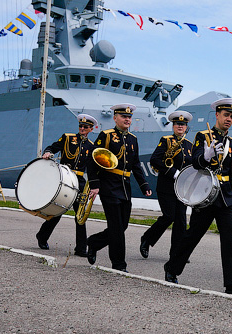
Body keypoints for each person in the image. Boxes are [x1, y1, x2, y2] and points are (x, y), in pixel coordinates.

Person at [163, 97, 232, 297]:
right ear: (217, 115)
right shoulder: (202, 136)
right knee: (192, 236)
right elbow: (194, 163)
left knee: (230, 240)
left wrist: (230, 195)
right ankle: (172, 267)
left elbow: (229, 173)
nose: (229, 119)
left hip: (225, 197)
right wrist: (205, 156)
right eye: (226, 115)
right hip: (206, 196)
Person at [85, 104, 152, 270]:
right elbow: (93, 159)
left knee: (123, 226)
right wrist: (94, 184)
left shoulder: (133, 139)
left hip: (125, 187)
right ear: (115, 118)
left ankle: (93, 242)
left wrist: (144, 185)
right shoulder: (106, 136)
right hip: (108, 185)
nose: (127, 119)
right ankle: (119, 264)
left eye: (129, 117)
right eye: (123, 116)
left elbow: (136, 165)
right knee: (116, 227)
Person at [35, 113, 97, 255]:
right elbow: (52, 147)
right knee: (58, 211)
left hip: (79, 183)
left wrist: (94, 186)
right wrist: (47, 153)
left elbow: (92, 169)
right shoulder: (68, 138)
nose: (82, 128)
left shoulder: (91, 146)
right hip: (64, 179)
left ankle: (81, 248)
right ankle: (42, 236)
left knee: (80, 215)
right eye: (81, 126)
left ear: (91, 129)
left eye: (85, 127)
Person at [139, 110, 193, 260]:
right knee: (169, 216)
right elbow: (155, 160)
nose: (180, 126)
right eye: (177, 124)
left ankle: (176, 253)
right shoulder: (166, 140)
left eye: (182, 124)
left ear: (186, 126)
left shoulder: (189, 145)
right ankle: (147, 239)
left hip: (182, 188)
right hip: (166, 186)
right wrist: (173, 172)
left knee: (181, 221)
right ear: (173, 126)